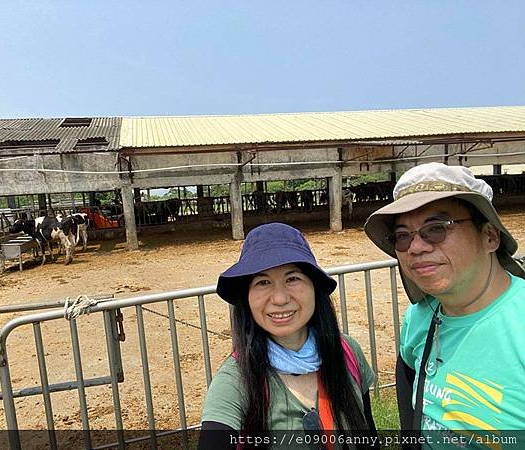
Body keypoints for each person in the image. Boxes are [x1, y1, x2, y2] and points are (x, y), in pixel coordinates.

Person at [364, 163, 525, 446]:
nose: (416, 247)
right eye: (403, 236)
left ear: (490, 236)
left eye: (436, 229)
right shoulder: (418, 318)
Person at [198, 222, 378, 449]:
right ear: (247, 298)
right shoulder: (235, 381)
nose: (280, 298)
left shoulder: (347, 353)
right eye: (263, 282)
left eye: (293, 278)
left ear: (314, 287)